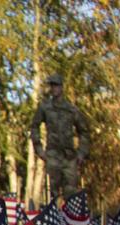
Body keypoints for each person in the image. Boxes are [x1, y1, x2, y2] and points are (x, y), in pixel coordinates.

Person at [28, 73, 87, 202]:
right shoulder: (45, 107)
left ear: (61, 87)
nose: (54, 88)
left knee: (71, 197)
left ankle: (68, 221)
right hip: (52, 156)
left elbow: (84, 131)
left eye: (56, 85)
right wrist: (39, 150)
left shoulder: (71, 110)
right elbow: (34, 126)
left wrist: (81, 153)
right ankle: (53, 221)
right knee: (51, 195)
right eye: (52, 85)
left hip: (69, 158)